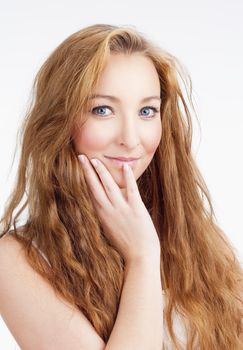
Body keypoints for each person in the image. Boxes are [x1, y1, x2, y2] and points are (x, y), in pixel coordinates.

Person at [0, 23, 242, 350]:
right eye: (103, 110)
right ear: (61, 121)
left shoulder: (199, 239)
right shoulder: (18, 260)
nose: (130, 138)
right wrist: (142, 256)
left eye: (147, 111)